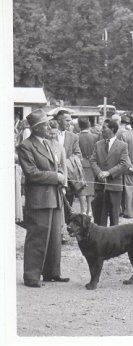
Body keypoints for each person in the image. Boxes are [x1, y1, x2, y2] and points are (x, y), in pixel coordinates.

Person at [17, 109, 69, 287]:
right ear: (37, 128)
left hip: (53, 196)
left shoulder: (47, 142)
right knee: (37, 238)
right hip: (39, 200)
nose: (49, 126)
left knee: (54, 238)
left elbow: (54, 165)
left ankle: (52, 272)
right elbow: (31, 173)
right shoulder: (25, 146)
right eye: (45, 124)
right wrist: (56, 177)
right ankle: (31, 276)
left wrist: (60, 172)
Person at [90, 120, 129, 226]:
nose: (101, 130)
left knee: (114, 219)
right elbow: (92, 161)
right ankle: (100, 241)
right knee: (99, 218)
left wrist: (109, 173)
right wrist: (99, 173)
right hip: (100, 186)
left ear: (111, 130)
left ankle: (114, 241)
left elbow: (125, 163)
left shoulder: (122, 146)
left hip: (115, 187)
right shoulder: (98, 144)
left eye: (104, 127)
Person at [55, 109, 82, 224]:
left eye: (70, 120)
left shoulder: (73, 137)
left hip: (68, 177)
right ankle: (56, 233)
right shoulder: (50, 133)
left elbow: (78, 155)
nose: (69, 123)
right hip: (53, 175)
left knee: (67, 205)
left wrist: (64, 163)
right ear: (59, 120)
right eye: (67, 120)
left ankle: (64, 230)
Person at [77, 117, 98, 216]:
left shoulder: (76, 136)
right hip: (91, 164)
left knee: (81, 187)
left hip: (80, 163)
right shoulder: (95, 137)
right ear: (88, 124)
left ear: (79, 125)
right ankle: (89, 209)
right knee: (90, 187)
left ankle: (82, 209)